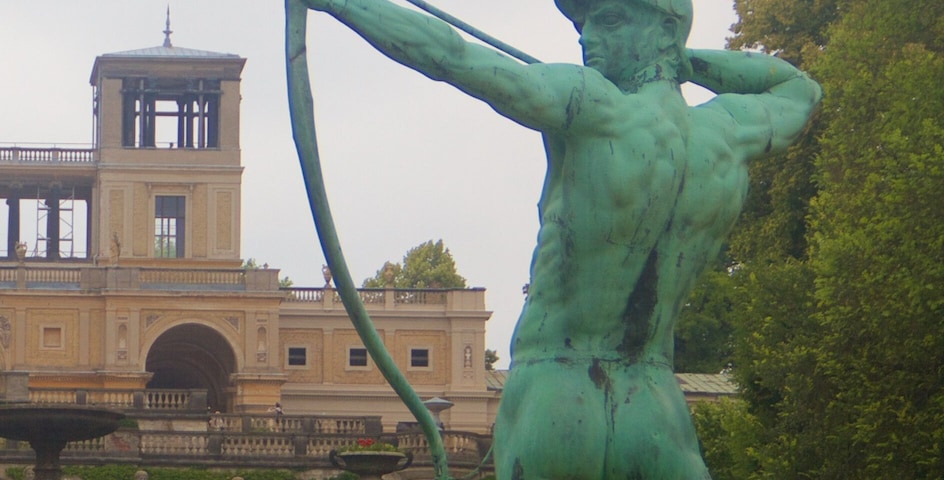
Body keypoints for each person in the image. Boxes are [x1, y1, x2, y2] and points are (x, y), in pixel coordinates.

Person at [295, 0, 819, 477]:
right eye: (583, 25)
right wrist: (683, 62)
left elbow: (450, 55)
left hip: (556, 392)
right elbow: (800, 89)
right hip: (654, 406)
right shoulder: (729, 133)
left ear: (664, 31)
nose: (589, 37)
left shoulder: (589, 102)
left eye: (610, 20)